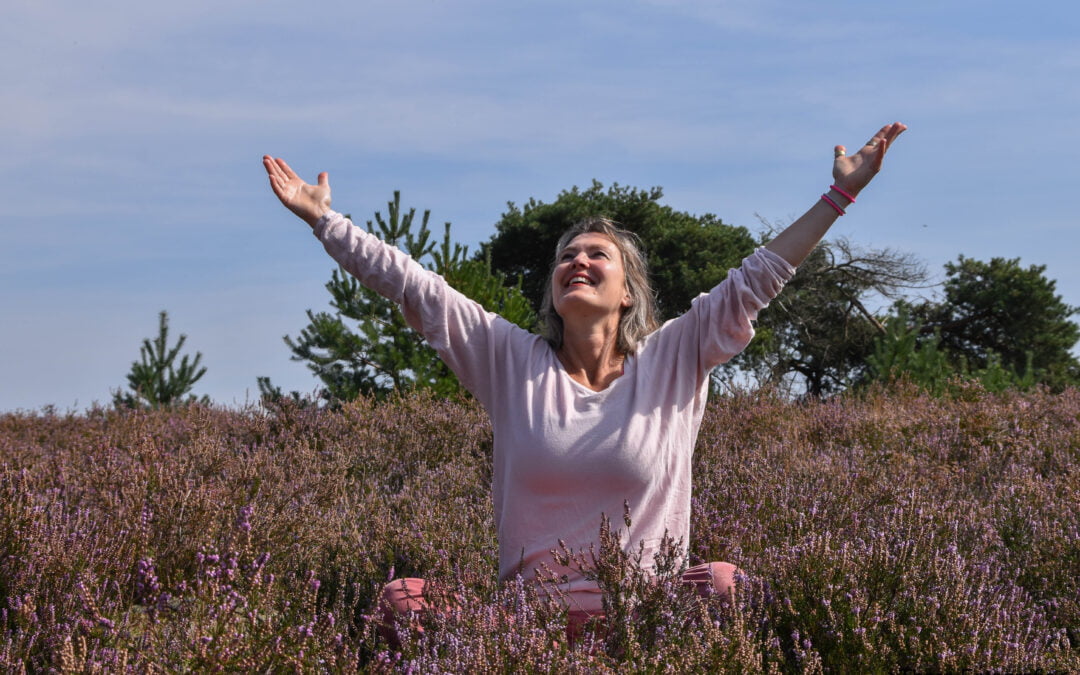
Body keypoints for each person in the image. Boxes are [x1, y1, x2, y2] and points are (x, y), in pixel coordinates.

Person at [262, 122, 907, 641]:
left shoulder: (674, 355)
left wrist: (839, 196)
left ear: (628, 293)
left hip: (647, 623)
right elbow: (416, 287)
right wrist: (325, 221)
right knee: (403, 600)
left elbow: (757, 277)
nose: (578, 261)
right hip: (526, 627)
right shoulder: (509, 361)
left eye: (598, 254)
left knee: (726, 587)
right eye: (567, 256)